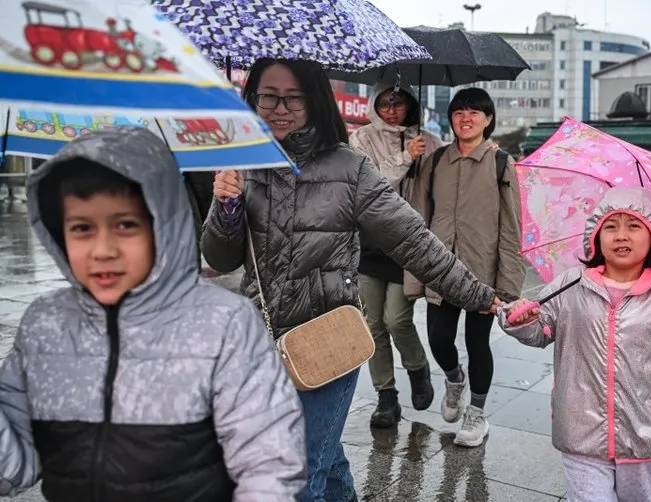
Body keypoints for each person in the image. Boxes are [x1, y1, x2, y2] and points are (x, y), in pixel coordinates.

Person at [201, 59, 501, 502]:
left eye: (294, 97)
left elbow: (415, 241)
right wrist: (225, 207)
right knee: (323, 456)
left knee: (299, 478)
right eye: (268, 96)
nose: (279, 108)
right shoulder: (243, 163)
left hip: (327, 343)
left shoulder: (350, 169)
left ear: (316, 100)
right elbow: (220, 258)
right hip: (260, 345)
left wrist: (481, 297)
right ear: (252, 99)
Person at [0, 128, 306, 501]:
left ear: (163, 223)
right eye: (82, 228)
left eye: (125, 225)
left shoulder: (223, 325)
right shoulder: (44, 325)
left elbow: (269, 464)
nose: (102, 250)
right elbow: (16, 466)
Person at [501, 187, 651, 502]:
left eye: (634, 226)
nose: (621, 236)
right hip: (581, 430)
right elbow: (542, 330)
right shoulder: (572, 285)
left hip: (646, 435)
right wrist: (521, 321)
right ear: (595, 236)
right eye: (610, 227)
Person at [406, 87, 526, 447]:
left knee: (478, 343)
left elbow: (512, 226)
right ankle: (454, 378)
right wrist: (416, 274)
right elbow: (418, 218)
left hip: (483, 271)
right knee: (439, 340)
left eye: (475, 112)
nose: (466, 117)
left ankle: (477, 414)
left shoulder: (501, 162)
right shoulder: (436, 160)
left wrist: (507, 284)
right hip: (440, 268)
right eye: (459, 111)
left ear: (488, 119)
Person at [349, 82, 443, 428]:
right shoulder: (361, 139)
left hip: (409, 241)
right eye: (385, 102)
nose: (391, 109)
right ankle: (386, 397)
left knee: (396, 319)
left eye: (398, 102)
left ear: (410, 104)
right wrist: (406, 157)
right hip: (372, 240)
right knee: (372, 325)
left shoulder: (428, 140)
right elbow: (369, 181)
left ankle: (418, 369)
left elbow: (446, 175)